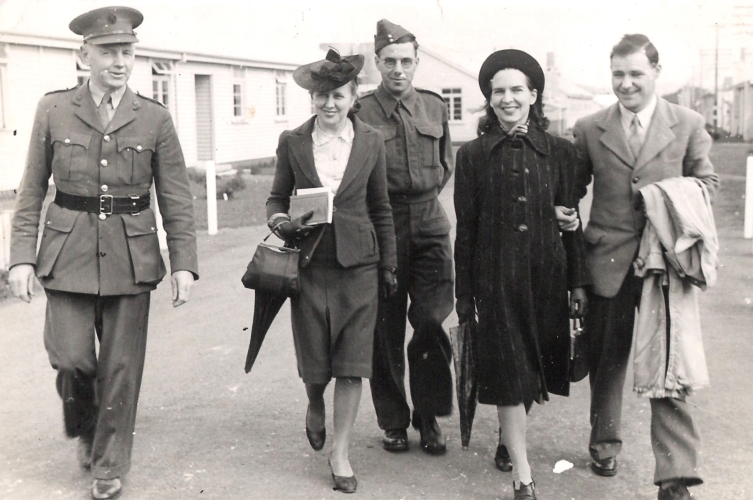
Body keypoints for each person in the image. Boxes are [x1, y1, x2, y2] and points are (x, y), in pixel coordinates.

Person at [7, 7, 198, 500]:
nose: (119, 61)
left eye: (127, 51)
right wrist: (21, 258)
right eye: (108, 51)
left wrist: (183, 264)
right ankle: (86, 421)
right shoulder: (54, 109)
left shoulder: (154, 117)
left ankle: (108, 465)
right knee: (72, 358)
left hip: (131, 256)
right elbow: (31, 189)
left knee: (120, 369)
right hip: (66, 251)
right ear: (83, 54)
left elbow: (175, 196)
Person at [570, 34, 718, 500]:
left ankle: (675, 476)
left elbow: (707, 182)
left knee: (669, 367)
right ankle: (604, 444)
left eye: (636, 73)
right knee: (606, 360)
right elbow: (570, 191)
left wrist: (662, 200)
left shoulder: (688, 122)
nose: (627, 83)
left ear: (656, 72)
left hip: (665, 265)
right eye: (618, 74)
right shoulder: (590, 126)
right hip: (607, 260)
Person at [454, 49, 589, 500]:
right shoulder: (472, 156)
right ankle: (524, 476)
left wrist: (578, 284)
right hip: (495, 279)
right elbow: (467, 230)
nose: (507, 99)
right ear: (488, 100)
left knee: (530, 369)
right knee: (511, 371)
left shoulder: (562, 153)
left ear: (534, 94)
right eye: (498, 92)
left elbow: (572, 224)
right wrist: (463, 294)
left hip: (545, 277)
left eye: (517, 90)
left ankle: (507, 439)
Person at [266, 49, 397, 494]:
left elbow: (381, 208)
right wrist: (280, 222)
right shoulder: (293, 141)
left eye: (338, 96)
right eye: (321, 96)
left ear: (353, 95)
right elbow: (275, 198)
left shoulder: (372, 141)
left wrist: (389, 264)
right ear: (311, 97)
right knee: (317, 362)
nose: (329, 105)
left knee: (352, 363)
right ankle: (313, 400)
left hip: (359, 265)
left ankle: (340, 453)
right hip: (310, 263)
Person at [358, 18, 455, 456]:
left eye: (406, 61)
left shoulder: (434, 107)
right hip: (384, 224)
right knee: (385, 327)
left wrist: (425, 200)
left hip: (430, 222)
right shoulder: (360, 112)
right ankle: (394, 420)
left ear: (416, 63)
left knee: (432, 320)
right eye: (390, 61)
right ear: (378, 63)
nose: (398, 69)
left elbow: (445, 164)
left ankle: (429, 415)